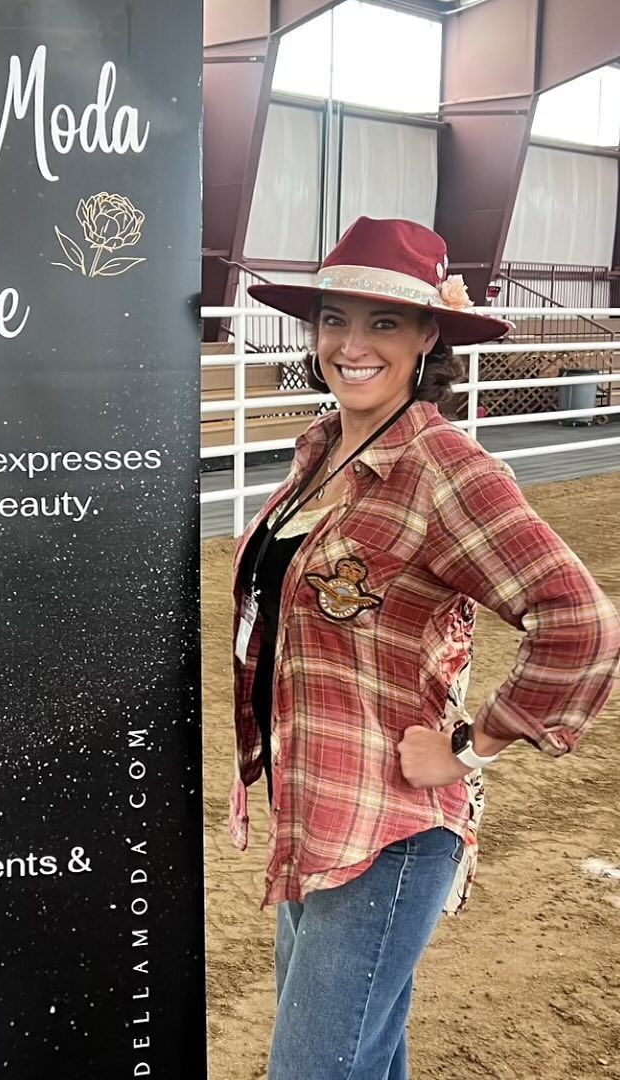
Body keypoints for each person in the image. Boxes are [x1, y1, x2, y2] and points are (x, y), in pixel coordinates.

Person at [227, 216, 620, 1080]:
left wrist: (474, 746)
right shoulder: (324, 451)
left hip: (391, 831)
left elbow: (581, 620)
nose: (351, 344)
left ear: (427, 337)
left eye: (384, 322)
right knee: (359, 1057)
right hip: (321, 810)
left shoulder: (444, 468)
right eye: (335, 318)